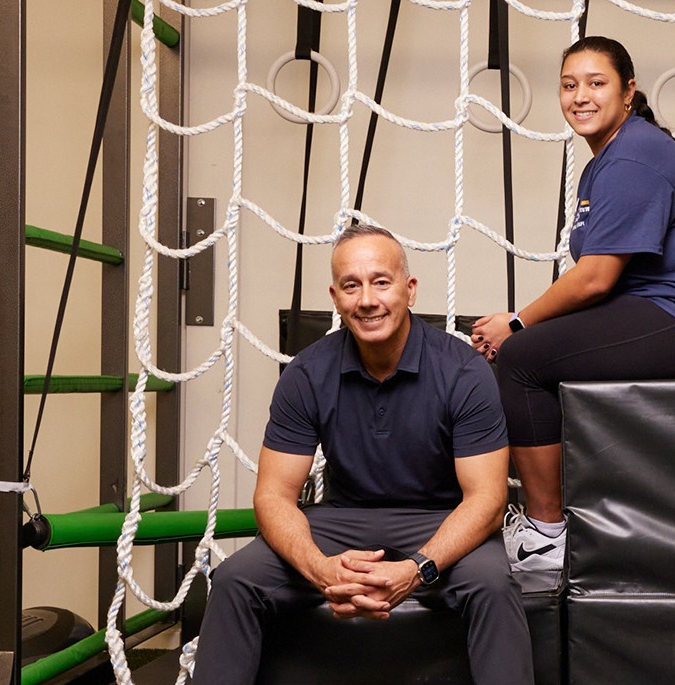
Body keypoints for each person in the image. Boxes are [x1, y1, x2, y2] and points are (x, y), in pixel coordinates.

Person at [470, 36, 675, 576]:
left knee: (523, 359)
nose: (580, 96)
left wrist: (515, 323)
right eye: (569, 85)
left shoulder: (633, 153)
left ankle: (545, 534)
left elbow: (594, 280)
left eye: (596, 83)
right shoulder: (611, 158)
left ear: (628, 91)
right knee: (540, 350)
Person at [193, 224, 534, 685]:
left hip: (440, 517)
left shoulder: (464, 371)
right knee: (235, 579)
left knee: (493, 584)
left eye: (381, 281)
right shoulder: (307, 373)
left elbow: (487, 501)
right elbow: (273, 496)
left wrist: (415, 570)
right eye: (351, 286)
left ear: (409, 290)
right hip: (342, 520)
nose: (367, 299)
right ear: (336, 297)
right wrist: (320, 569)